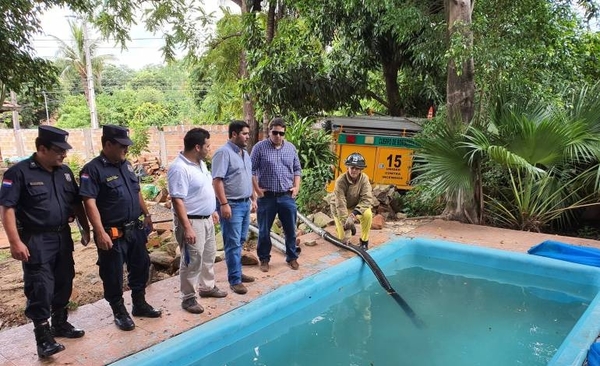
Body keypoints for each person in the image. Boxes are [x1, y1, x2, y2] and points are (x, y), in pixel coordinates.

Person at [0, 126, 90, 358]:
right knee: (40, 285)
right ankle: (43, 337)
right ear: (42, 149)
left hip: (62, 236)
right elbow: (7, 208)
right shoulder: (18, 173)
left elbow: (76, 203)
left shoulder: (65, 172)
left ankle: (60, 323)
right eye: (59, 150)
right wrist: (14, 242)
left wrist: (85, 228)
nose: (64, 155)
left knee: (64, 279)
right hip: (35, 238)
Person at [79, 125, 161, 331]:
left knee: (141, 266)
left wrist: (148, 214)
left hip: (135, 229)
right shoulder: (92, 170)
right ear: (108, 144)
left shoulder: (126, 165)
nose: (126, 150)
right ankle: (119, 311)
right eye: (122, 146)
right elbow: (89, 202)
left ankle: (139, 304)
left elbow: (137, 192)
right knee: (113, 274)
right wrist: (99, 232)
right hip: (113, 234)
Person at [167, 128, 227, 314]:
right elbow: (177, 200)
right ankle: (188, 297)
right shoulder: (179, 168)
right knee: (192, 260)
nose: (210, 149)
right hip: (192, 222)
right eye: (207, 146)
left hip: (206, 218)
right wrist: (187, 228)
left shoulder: (200, 164)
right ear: (197, 147)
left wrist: (212, 211)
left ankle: (207, 287)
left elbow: (203, 189)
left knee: (208, 256)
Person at [250, 117, 302, 272]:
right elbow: (251, 170)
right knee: (264, 230)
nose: (278, 136)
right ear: (269, 132)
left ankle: (292, 257)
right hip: (267, 197)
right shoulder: (259, 148)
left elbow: (297, 169)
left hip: (286, 196)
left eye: (281, 133)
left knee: (290, 229)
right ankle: (264, 259)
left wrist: (297, 187)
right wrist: (257, 191)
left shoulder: (290, 148)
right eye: (275, 133)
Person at [212, 120, 256, 295]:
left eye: (247, 134)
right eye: (244, 134)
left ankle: (237, 272)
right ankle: (235, 280)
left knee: (240, 241)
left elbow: (247, 177)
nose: (247, 137)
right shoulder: (223, 153)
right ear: (234, 134)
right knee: (232, 243)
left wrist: (253, 198)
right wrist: (224, 204)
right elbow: (217, 181)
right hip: (232, 205)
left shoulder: (244, 153)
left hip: (245, 203)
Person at [330, 152, 373, 250]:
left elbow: (366, 199)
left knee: (368, 214)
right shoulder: (340, 181)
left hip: (355, 207)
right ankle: (343, 235)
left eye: (357, 168)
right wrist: (347, 225)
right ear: (347, 168)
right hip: (339, 208)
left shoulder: (364, 179)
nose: (354, 170)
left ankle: (364, 241)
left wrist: (353, 214)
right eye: (352, 167)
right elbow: (340, 203)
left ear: (361, 169)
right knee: (344, 241)